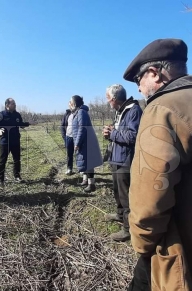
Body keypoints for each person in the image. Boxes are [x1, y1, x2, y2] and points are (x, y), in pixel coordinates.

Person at [123, 38, 192, 290]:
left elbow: (150, 196)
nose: (139, 89)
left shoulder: (163, 108)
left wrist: (142, 242)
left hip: (179, 244)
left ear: (155, 74)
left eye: (138, 80)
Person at [102, 84, 142, 242]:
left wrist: (113, 133)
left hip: (126, 160)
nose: (108, 102)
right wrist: (110, 134)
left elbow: (133, 136)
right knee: (117, 191)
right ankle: (120, 216)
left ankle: (128, 229)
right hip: (116, 157)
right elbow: (120, 133)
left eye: (108, 99)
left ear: (114, 99)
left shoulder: (134, 110)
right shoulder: (120, 111)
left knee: (126, 197)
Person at [0, 98, 30, 187]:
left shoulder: (17, 115)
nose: (15, 105)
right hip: (5, 142)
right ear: (7, 105)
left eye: (15, 103)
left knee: (17, 160)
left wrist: (28, 123)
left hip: (15, 141)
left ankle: (17, 176)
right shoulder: (1, 115)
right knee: (3, 161)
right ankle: (1, 179)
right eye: (13, 103)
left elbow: (20, 124)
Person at [70, 95, 102, 192]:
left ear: (74, 104)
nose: (70, 104)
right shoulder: (78, 112)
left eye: (71, 102)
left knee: (88, 163)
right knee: (85, 162)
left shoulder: (81, 112)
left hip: (85, 142)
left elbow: (82, 128)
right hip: (83, 142)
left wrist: (77, 143)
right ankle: (85, 180)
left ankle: (91, 184)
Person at [60, 102, 74, 175]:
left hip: (77, 137)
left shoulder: (80, 113)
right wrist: (64, 137)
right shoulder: (67, 114)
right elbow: (62, 126)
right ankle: (69, 168)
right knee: (69, 154)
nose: (71, 106)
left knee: (79, 154)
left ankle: (81, 169)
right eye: (70, 105)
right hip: (68, 137)